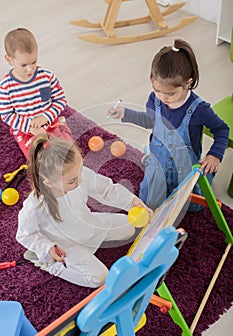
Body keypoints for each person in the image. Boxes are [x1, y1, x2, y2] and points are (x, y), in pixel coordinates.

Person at [108, 39, 229, 212]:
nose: (163, 98)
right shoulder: (154, 100)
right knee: (148, 202)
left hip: (185, 168)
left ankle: (206, 177)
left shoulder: (199, 109)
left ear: (188, 83)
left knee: (194, 207)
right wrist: (125, 114)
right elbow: (149, 121)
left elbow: (222, 129)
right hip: (159, 165)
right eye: (157, 91)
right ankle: (151, 162)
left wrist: (214, 155)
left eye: (170, 94)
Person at [16, 134, 153, 288]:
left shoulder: (78, 174)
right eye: (72, 181)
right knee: (99, 278)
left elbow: (106, 190)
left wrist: (131, 201)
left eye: (79, 173)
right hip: (66, 246)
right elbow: (24, 235)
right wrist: (47, 248)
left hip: (89, 225)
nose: (79, 181)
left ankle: (89, 245)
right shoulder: (34, 206)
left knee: (129, 228)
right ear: (48, 182)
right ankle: (49, 265)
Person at [0, 28, 72, 159]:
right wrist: (30, 127)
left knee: (67, 150)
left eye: (34, 62)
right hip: (27, 130)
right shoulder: (6, 87)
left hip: (50, 122)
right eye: (23, 65)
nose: (30, 69)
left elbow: (60, 100)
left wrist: (46, 117)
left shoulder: (47, 77)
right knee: (39, 158)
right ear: (9, 60)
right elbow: (7, 115)